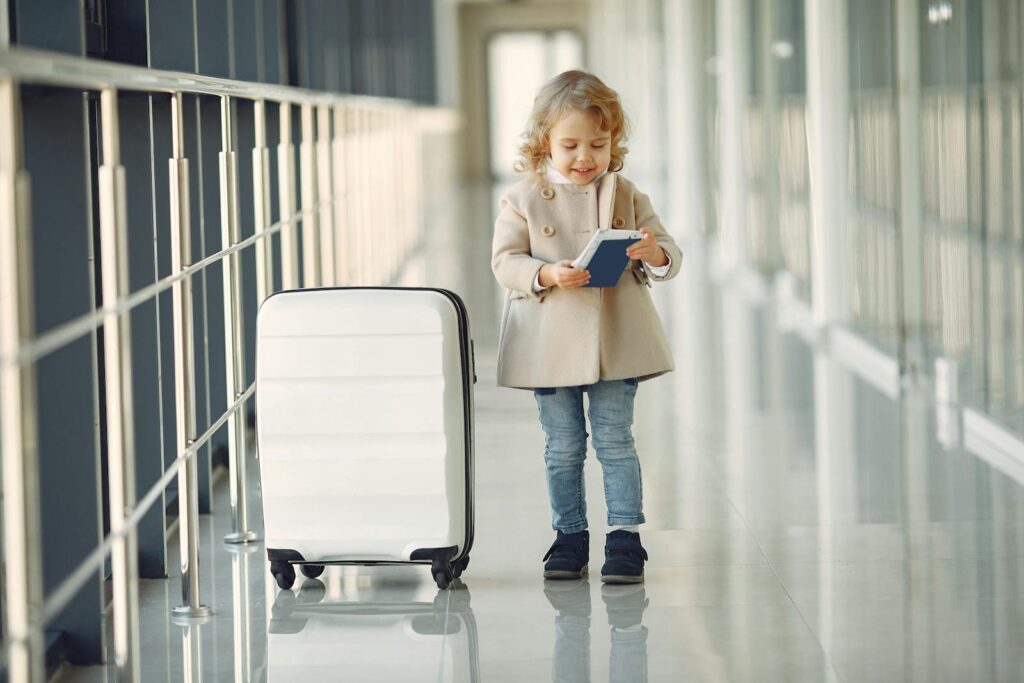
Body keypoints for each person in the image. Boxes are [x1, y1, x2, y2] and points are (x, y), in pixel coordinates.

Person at [491, 70, 681, 584]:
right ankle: (569, 535)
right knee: (564, 444)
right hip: (548, 340)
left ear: (613, 143)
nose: (584, 157)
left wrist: (654, 252)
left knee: (616, 439)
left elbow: (668, 250)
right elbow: (504, 261)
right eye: (570, 144)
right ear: (543, 143)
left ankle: (625, 538)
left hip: (614, 339)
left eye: (598, 144)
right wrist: (546, 272)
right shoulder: (523, 198)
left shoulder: (625, 192)